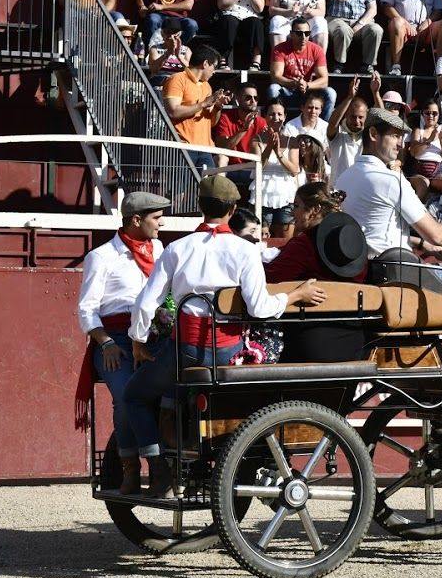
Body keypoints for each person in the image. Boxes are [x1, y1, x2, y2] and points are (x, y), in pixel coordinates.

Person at [124, 175, 325, 495]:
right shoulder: (244, 251)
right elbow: (260, 308)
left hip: (184, 353)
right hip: (227, 355)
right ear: (233, 210)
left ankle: (159, 467)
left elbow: (145, 304)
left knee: (134, 396)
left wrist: (137, 341)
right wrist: (296, 296)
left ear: (201, 208)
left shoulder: (176, 249)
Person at [336, 108, 442, 371]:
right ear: (373, 134)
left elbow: (372, 232)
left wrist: (423, 246)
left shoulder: (343, 178)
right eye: (394, 136)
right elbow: (436, 232)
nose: (400, 144)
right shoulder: (389, 180)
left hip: (373, 270)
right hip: (401, 275)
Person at [75, 191, 170, 492]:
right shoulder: (101, 257)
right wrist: (105, 344)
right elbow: (87, 309)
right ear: (136, 220)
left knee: (176, 395)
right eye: (156, 218)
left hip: (153, 335)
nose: (162, 223)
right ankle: (136, 468)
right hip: (114, 341)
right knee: (127, 396)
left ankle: (160, 467)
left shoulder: (158, 248)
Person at [263, 183, 367, 363]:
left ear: (315, 209)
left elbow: (269, 279)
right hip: (356, 343)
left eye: (296, 206)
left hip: (308, 342)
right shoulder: (352, 241)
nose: (293, 214)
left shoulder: (304, 245)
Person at [163, 46, 227, 168]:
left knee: (208, 187)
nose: (214, 71)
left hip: (205, 149)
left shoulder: (207, 86)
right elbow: (173, 111)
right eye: (214, 66)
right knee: (180, 187)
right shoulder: (176, 79)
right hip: (182, 147)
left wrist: (218, 107)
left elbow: (212, 123)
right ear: (205, 63)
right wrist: (203, 104)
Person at [268, 17, 335, 121]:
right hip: (288, 90)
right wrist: (294, 83)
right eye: (299, 33)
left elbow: (324, 80)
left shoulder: (316, 50)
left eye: (307, 33)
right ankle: (277, 126)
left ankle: (323, 129)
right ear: (291, 34)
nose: (303, 37)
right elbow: (276, 76)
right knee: (273, 89)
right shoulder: (280, 49)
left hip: (308, 92)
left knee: (331, 93)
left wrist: (307, 85)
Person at [405, 98, 442, 200]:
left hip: (437, 170)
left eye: (434, 113)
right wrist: (430, 140)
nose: (431, 116)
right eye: (428, 113)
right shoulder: (418, 131)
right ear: (423, 114)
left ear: (439, 115)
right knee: (423, 185)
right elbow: (413, 152)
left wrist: (441, 140)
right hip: (418, 169)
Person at [324, 94, 369, 183]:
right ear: (346, 115)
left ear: (366, 116)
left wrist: (376, 94)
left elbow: (382, 122)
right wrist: (349, 97)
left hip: (361, 187)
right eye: (353, 116)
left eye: (360, 117)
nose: (357, 121)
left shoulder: (369, 136)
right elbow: (332, 122)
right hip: (338, 189)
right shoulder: (337, 133)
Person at [146, 17, 190, 83]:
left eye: (175, 32)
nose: (171, 35)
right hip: (159, 83)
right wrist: (167, 53)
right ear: (162, 33)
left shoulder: (186, 50)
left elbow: (190, 72)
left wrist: (178, 56)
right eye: (168, 32)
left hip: (178, 84)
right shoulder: (155, 49)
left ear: (180, 33)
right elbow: (153, 70)